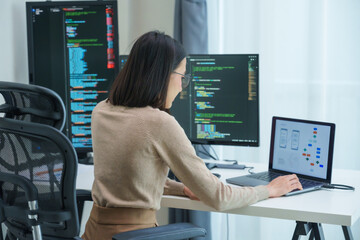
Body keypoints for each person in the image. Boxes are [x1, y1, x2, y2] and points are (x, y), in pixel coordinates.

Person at [82, 30, 302, 240]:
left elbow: (134, 175)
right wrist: (268, 189)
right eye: (182, 77)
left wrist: (183, 189)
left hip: (93, 233)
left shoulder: (101, 111)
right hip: (137, 234)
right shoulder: (159, 123)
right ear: (163, 75)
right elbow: (218, 197)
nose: (182, 87)